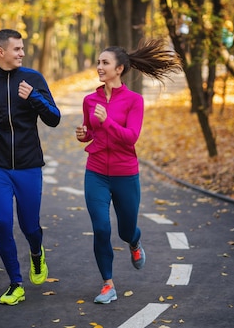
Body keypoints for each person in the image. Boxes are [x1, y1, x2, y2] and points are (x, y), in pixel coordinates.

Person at [75, 38, 182, 304]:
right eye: (99, 62)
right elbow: (91, 132)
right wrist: (83, 134)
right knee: (101, 228)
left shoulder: (134, 101)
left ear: (119, 69)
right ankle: (107, 285)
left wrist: (106, 121)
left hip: (125, 174)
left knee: (125, 230)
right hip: (96, 172)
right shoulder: (90, 100)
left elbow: (130, 137)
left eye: (104, 63)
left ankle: (134, 241)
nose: (99, 67)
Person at [0, 29, 61, 305]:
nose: (22, 53)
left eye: (22, 48)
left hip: (29, 165)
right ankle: (15, 284)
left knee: (29, 226)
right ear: (1, 52)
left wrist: (34, 97)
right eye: (17, 49)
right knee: (2, 222)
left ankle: (36, 253)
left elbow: (54, 118)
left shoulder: (33, 79)